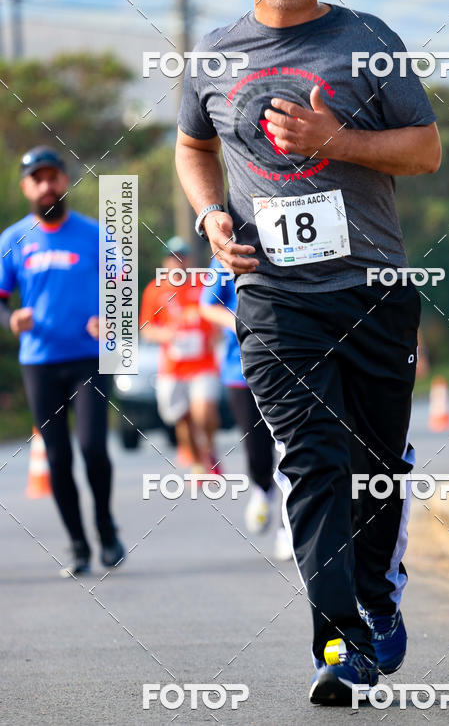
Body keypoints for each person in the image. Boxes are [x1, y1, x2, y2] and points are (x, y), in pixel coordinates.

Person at [175, 0, 441, 704]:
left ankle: (378, 588)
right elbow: (193, 145)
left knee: (374, 467)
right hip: (272, 294)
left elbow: (424, 151)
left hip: (372, 288)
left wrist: (337, 142)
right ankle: (340, 639)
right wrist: (209, 215)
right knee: (314, 462)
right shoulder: (214, 58)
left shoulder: (369, 40)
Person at [0, 146, 125, 577]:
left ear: (64, 181)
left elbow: (121, 290)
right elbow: (0, 299)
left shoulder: (97, 234)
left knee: (92, 447)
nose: (47, 185)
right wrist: (11, 317)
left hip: (88, 358)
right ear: (26, 187)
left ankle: (106, 528)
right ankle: (77, 545)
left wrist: (110, 320)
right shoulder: (12, 240)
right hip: (40, 362)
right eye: (38, 179)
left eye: (53, 176)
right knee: (57, 457)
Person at [200, 256, 293, 561]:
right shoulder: (227, 254)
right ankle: (262, 488)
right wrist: (240, 323)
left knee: (292, 451)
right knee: (257, 449)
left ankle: (287, 528)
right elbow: (208, 305)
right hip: (238, 371)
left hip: (289, 368)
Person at [139, 237, 221, 472]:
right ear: (165, 262)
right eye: (173, 258)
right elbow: (146, 328)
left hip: (203, 363)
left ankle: (209, 448)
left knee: (203, 412)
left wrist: (215, 333)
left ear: (190, 260)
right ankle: (197, 463)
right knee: (181, 418)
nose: (178, 263)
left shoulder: (203, 283)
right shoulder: (155, 290)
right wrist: (166, 335)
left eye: (183, 258)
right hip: (173, 366)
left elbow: (217, 310)